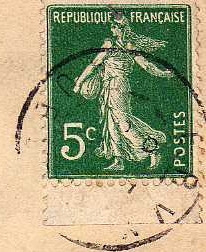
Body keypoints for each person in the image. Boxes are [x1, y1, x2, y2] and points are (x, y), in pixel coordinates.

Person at [73, 13, 174, 171]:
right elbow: (94, 64)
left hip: (119, 87)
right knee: (111, 123)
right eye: (112, 26)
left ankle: (153, 150)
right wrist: (79, 82)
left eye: (114, 26)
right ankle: (118, 160)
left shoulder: (127, 46)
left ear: (121, 28)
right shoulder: (111, 43)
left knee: (123, 123)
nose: (112, 28)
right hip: (108, 87)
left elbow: (145, 65)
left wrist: (162, 73)